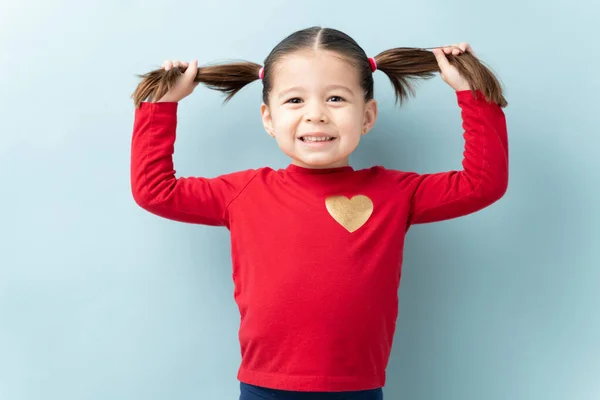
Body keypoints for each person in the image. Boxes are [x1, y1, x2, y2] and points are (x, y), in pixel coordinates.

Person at [130, 26, 509, 400]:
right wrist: (161, 105)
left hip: (356, 389)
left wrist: (471, 92)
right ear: (268, 118)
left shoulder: (394, 193)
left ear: (367, 116)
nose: (316, 115)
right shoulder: (242, 194)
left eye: (336, 99)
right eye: (295, 101)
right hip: (266, 389)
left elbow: (483, 183)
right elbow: (155, 190)